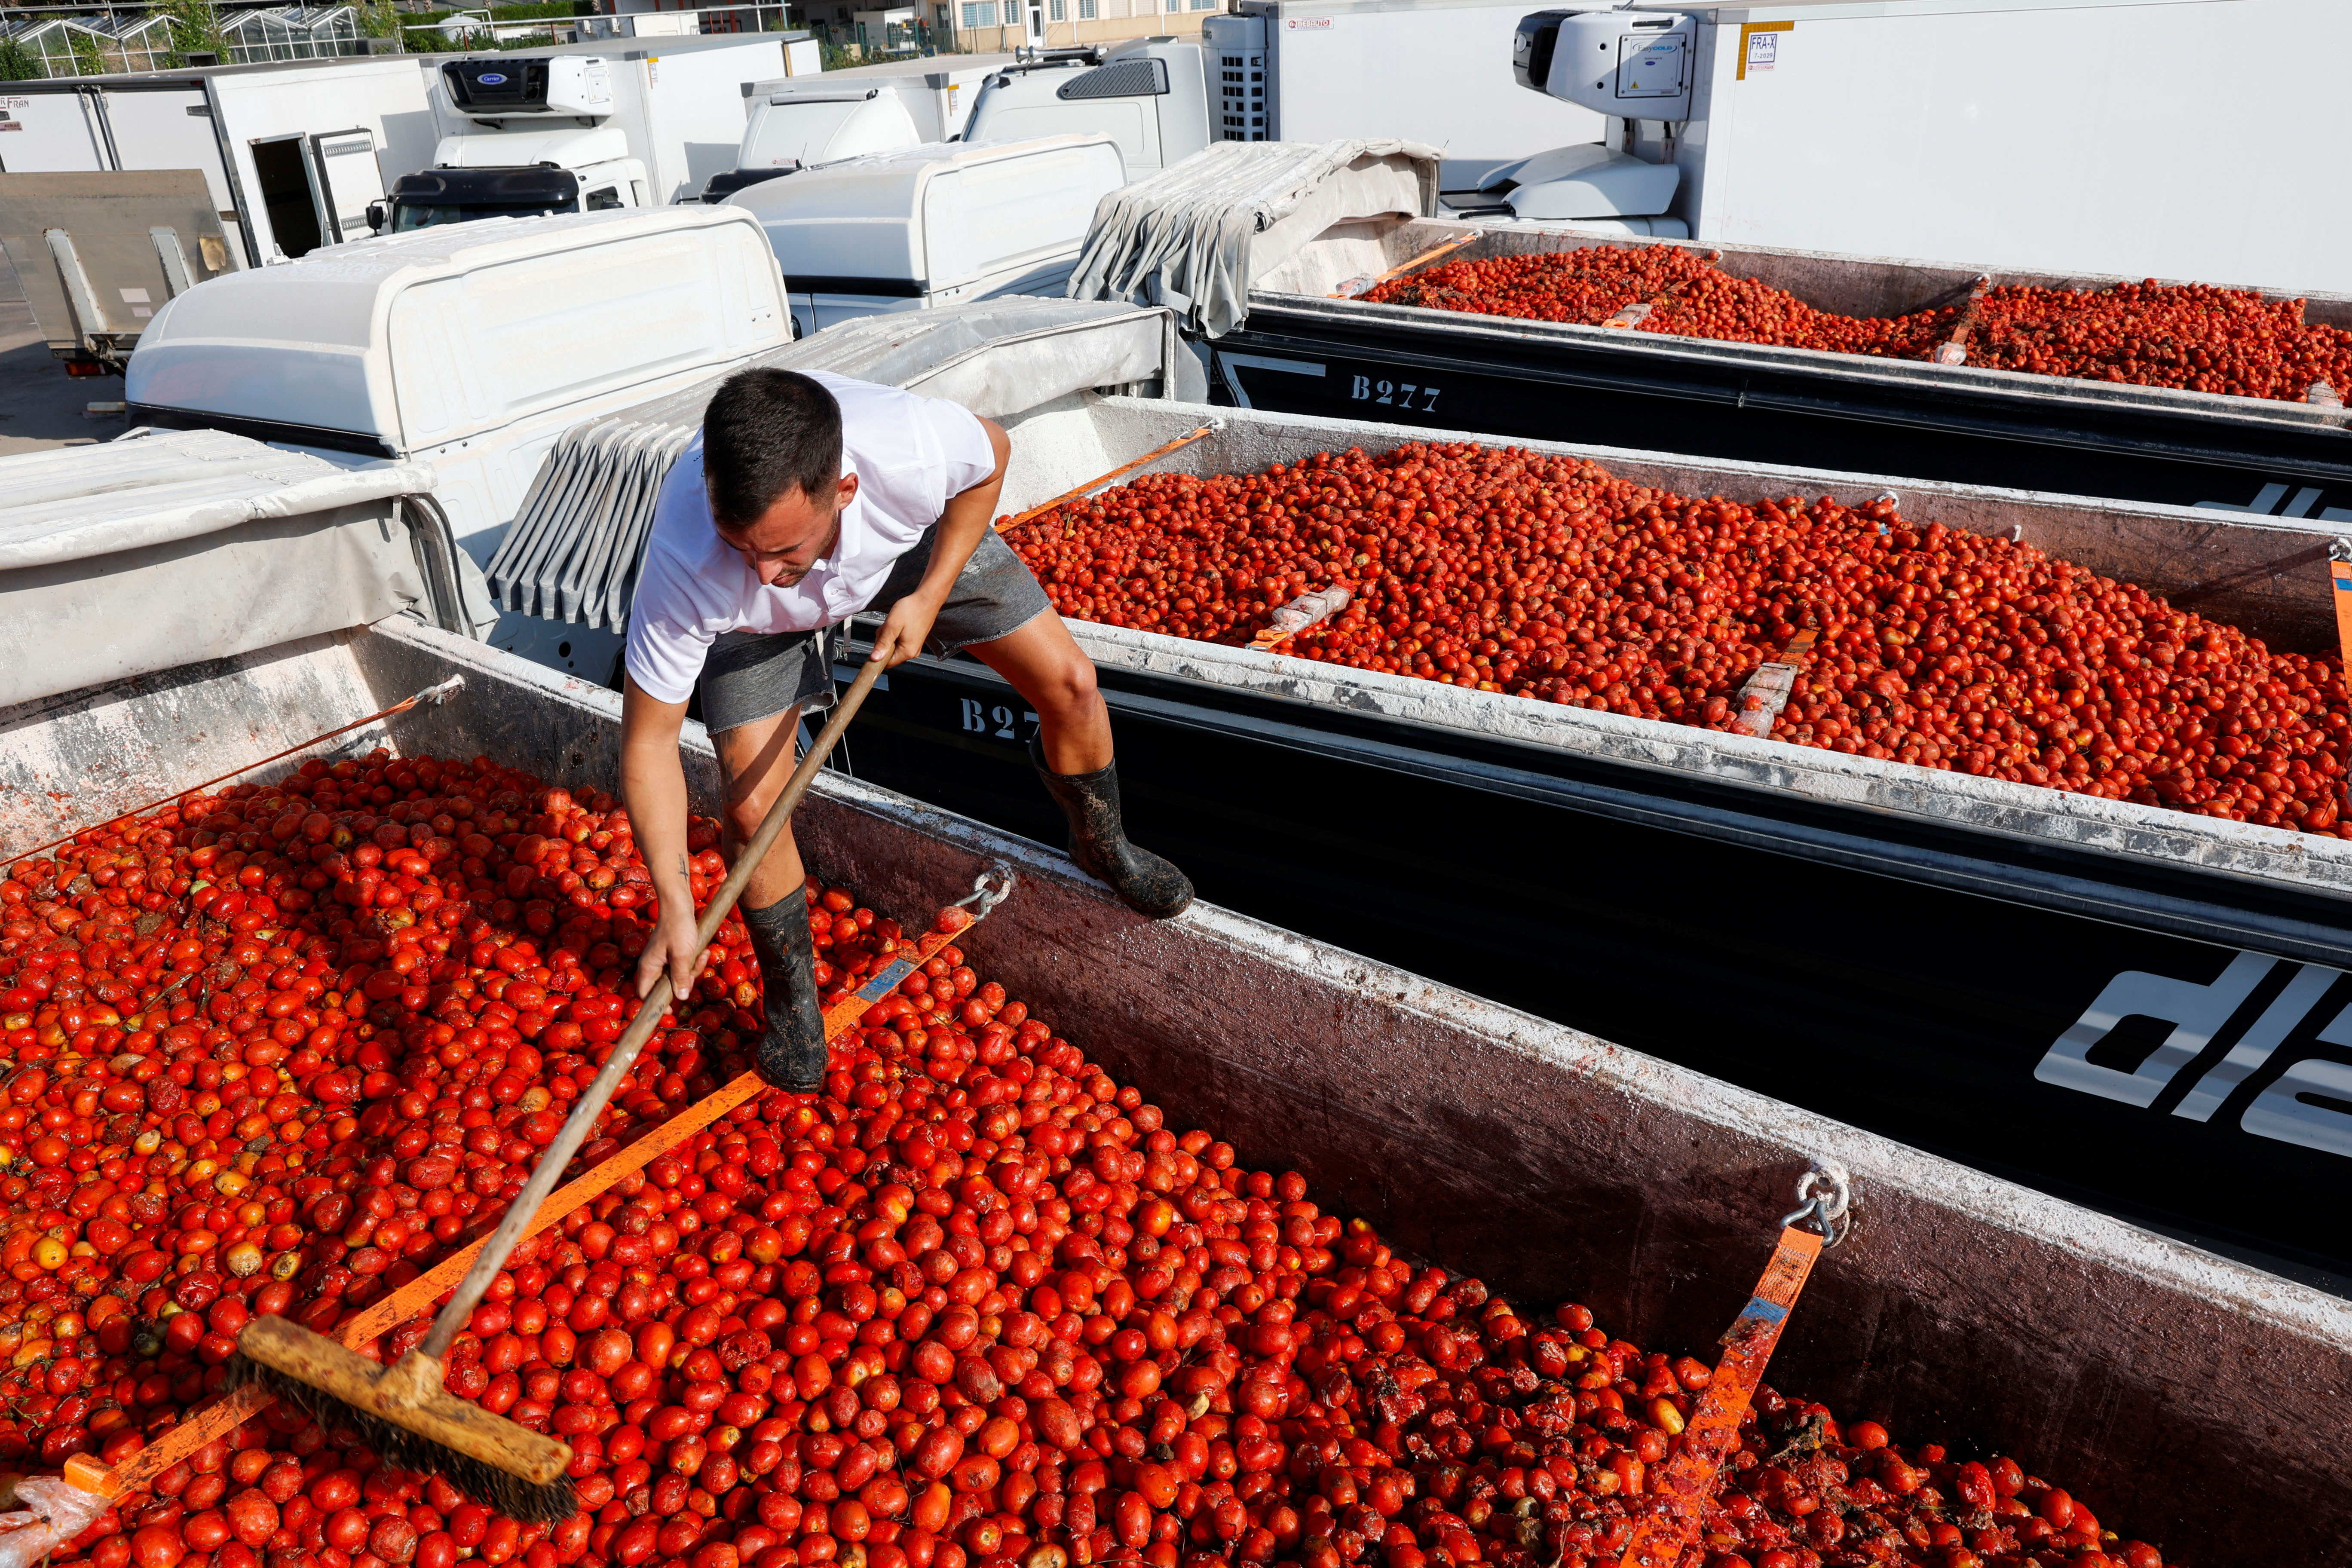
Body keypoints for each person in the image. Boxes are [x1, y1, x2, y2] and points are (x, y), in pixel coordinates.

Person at [618, 368, 1190, 1094]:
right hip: (750, 634)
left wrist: (931, 594)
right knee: (752, 804)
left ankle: (1105, 846)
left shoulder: (910, 452)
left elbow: (993, 455)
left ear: (844, 493)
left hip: (903, 556)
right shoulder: (691, 559)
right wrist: (675, 907)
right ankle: (794, 1005)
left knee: (1073, 684)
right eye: (744, 548)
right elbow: (647, 742)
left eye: (783, 551)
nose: (763, 572)